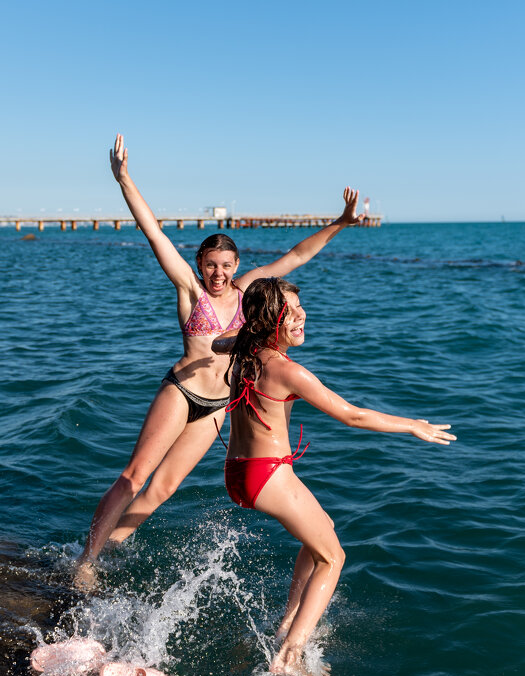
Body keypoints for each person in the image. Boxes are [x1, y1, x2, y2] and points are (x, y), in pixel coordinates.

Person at [76, 134, 362, 588]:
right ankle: (86, 563)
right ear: (200, 263)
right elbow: (154, 231)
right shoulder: (189, 290)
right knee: (135, 477)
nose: (219, 274)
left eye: (226, 265)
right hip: (182, 392)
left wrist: (342, 223)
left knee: (165, 489)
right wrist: (124, 178)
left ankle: (113, 545)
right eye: (211, 264)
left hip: (217, 408)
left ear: (236, 264)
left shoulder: (249, 292)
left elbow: (298, 255)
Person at [223, 277, 455, 676]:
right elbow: (352, 415)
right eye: (289, 312)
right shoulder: (287, 370)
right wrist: (412, 425)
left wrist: (243, 333)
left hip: (237, 471)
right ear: (267, 320)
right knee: (334, 556)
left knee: (320, 535)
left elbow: (215, 344)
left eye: (300, 307)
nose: (300, 316)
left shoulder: (242, 351)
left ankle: (287, 623)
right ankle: (290, 656)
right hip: (268, 474)